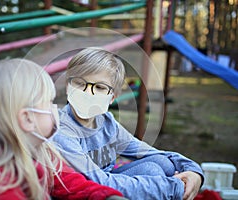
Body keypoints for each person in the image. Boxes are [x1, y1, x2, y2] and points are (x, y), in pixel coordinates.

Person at [0, 58, 127, 200]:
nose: (56, 109)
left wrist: (107, 196)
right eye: (49, 102)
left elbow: (72, 183)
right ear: (27, 119)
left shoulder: (40, 150)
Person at [52, 47, 204, 200]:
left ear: (112, 97)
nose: (87, 93)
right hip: (85, 193)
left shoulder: (106, 123)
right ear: (68, 86)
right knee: (152, 171)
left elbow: (153, 153)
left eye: (99, 87)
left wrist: (194, 172)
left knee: (164, 163)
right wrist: (171, 186)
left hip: (108, 185)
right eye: (79, 83)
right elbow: (98, 182)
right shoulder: (62, 130)